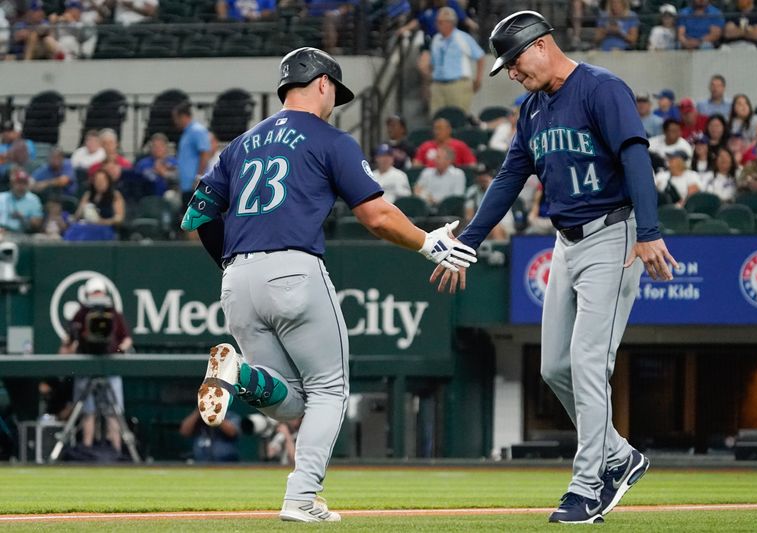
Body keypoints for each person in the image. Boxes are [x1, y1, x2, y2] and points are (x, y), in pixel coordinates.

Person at [179, 47, 476, 523]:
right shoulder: (330, 139)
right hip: (293, 268)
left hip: (236, 279)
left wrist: (233, 266)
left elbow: (196, 215)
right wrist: (427, 242)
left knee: (289, 400)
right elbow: (377, 215)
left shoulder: (238, 145)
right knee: (330, 389)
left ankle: (238, 375)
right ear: (321, 83)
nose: (335, 100)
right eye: (334, 91)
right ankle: (301, 497)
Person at [437, 11, 677, 524]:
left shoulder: (601, 89)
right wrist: (470, 241)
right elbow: (508, 179)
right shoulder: (531, 110)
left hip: (615, 234)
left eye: (516, 60)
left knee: (589, 363)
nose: (514, 73)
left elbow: (636, 158)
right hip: (567, 243)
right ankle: (619, 454)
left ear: (543, 44)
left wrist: (651, 232)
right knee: (553, 367)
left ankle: (588, 484)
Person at [60, 276, 132, 454]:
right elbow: (68, 340)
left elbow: (127, 339)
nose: (97, 296)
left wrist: (118, 351)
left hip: (111, 365)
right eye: (94, 293)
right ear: (87, 294)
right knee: (88, 410)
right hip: (86, 365)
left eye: (99, 292)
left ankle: (115, 450)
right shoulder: (81, 313)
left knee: (113, 411)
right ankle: (87, 449)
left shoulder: (114, 313)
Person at [426, 7, 485, 118]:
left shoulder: (462, 37)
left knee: (459, 117)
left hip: (458, 84)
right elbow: (432, 64)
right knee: (436, 118)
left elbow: (480, 56)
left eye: (440, 22)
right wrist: (430, 83)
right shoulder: (436, 39)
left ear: (450, 23)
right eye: (437, 21)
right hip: (438, 85)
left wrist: (478, 79)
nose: (437, 24)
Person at [173, 101, 212, 205]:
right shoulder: (186, 133)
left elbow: (204, 153)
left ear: (183, 117)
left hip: (195, 185)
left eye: (176, 118)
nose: (175, 122)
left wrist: (199, 177)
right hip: (186, 186)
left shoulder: (197, 131)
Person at [463, 165, 515, 240]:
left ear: (490, 176)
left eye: (484, 175)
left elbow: (492, 216)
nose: (481, 178)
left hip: (505, 224)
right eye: (479, 175)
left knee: (494, 228)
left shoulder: (500, 188)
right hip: (482, 226)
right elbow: (468, 215)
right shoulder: (473, 191)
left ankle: (499, 251)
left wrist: (489, 187)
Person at [72, 168, 125, 238]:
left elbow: (119, 218)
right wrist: (83, 208)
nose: (99, 183)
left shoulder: (115, 195)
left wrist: (103, 222)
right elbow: (77, 216)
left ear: (108, 182)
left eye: (102, 181)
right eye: (97, 181)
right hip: (88, 227)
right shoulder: (88, 195)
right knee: (75, 229)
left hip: (106, 228)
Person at [0, 168, 43, 234]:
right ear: (12, 184)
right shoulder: (2, 197)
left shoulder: (33, 199)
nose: (21, 186)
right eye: (18, 183)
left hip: (23, 234)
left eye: (24, 183)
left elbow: (37, 224)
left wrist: (23, 217)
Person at [134, 132, 177, 197]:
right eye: (155, 146)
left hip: (169, 196)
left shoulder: (174, 162)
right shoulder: (142, 164)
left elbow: (179, 180)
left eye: (161, 146)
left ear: (166, 148)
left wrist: (163, 173)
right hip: (147, 196)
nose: (158, 149)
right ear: (151, 148)